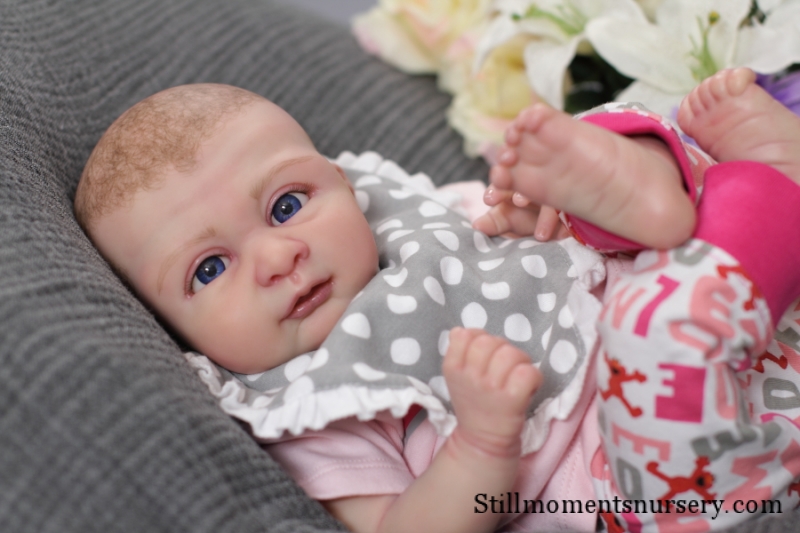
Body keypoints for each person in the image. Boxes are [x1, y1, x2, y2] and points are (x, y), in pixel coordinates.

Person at [73, 67, 800, 533]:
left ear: (343, 184)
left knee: (590, 159)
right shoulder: (317, 410)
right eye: (208, 269)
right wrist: (479, 445)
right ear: (173, 330)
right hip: (657, 480)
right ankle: (762, 191)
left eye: (287, 205)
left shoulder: (417, 222)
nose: (277, 256)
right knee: (652, 329)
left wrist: (532, 212)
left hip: (755, 331)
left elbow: (521, 227)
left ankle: (677, 184)